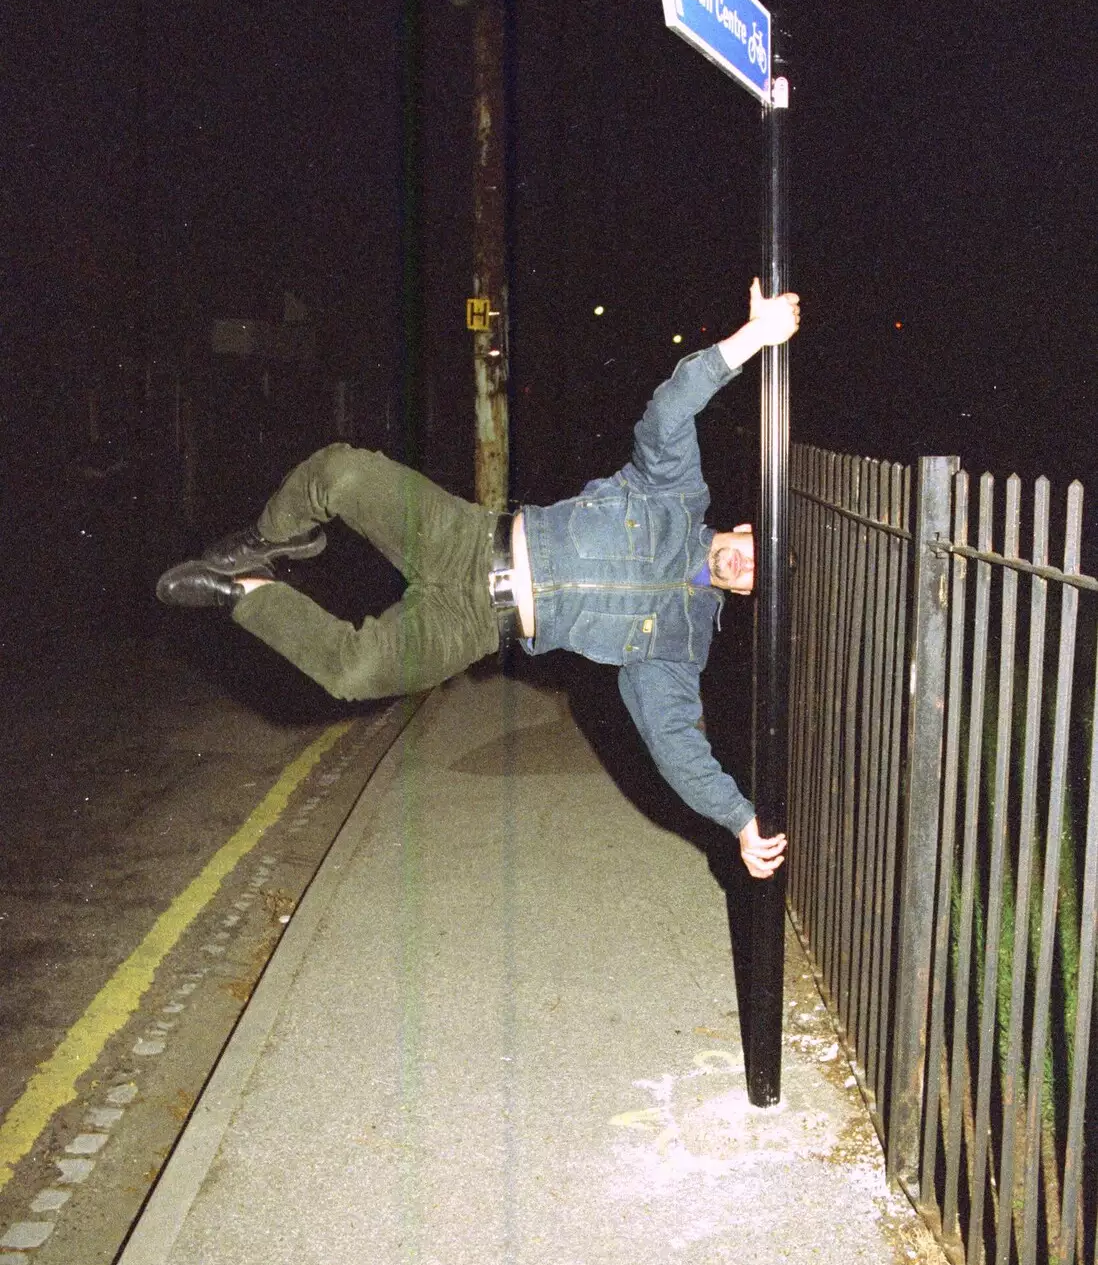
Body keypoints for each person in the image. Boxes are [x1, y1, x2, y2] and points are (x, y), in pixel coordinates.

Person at [158, 279, 800, 877]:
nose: (746, 566)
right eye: (754, 551)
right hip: (462, 538)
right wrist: (754, 336)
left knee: (354, 673)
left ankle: (241, 592)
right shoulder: (676, 494)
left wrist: (739, 819)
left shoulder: (682, 647)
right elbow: (669, 410)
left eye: (754, 581)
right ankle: (273, 539)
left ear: (744, 595)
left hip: (474, 625)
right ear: (745, 528)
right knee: (341, 473)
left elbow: (675, 744)